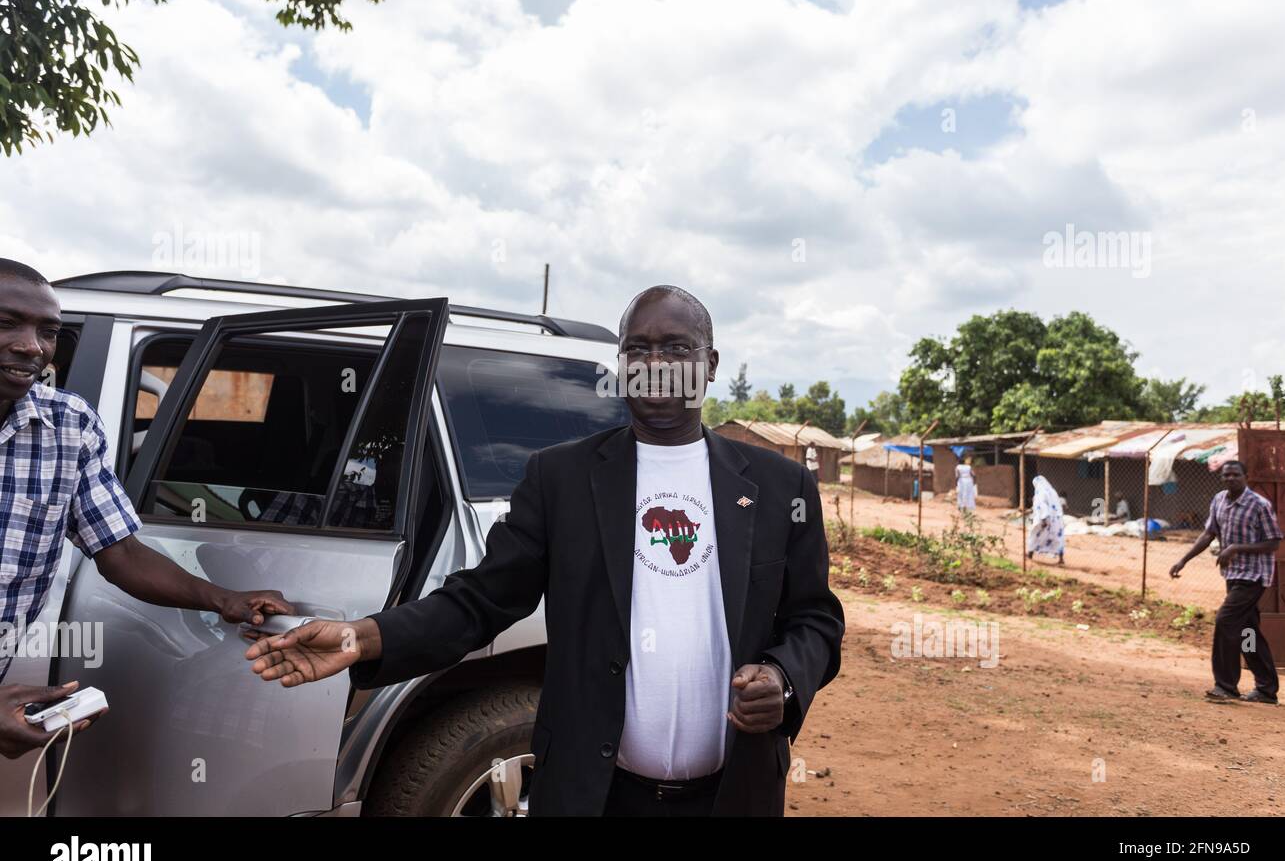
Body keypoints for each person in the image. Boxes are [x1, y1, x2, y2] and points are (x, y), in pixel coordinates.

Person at [246, 285, 845, 816]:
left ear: (710, 364)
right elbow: (480, 602)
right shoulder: (562, 479)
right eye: (637, 348)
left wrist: (784, 679)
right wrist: (362, 638)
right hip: (595, 793)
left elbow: (815, 618)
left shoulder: (778, 487)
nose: (655, 364)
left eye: (677, 347)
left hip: (733, 795)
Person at [0, 259, 291, 760]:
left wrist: (222, 599)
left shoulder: (68, 426)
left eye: (48, 331)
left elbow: (121, 553)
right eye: (7, 323)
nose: (32, 346)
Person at [1170, 460, 1282, 704]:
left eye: (1235, 475)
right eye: (1226, 475)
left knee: (1226, 620)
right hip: (1232, 575)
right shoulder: (1219, 500)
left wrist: (1235, 548)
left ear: (1246, 476)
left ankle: (1226, 686)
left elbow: (1274, 542)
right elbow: (1209, 533)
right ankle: (1266, 689)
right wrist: (1183, 560)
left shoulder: (1259, 505)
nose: (1230, 479)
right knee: (1247, 631)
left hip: (1254, 576)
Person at [1026, 475, 1065, 565]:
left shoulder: (1040, 492)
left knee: (1034, 535)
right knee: (1057, 539)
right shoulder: (1052, 491)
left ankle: (1030, 554)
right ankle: (1061, 558)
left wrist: (1044, 519)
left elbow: (1042, 506)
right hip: (1056, 520)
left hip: (1044, 518)